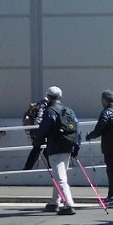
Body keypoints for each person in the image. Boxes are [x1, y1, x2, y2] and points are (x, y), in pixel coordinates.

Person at [34, 85, 79, 215]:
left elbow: (43, 129)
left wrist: (38, 143)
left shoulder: (50, 111)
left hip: (55, 147)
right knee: (59, 175)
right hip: (68, 146)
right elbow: (77, 128)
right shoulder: (68, 110)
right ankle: (54, 202)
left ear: (48, 97)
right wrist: (76, 146)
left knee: (60, 178)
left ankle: (68, 204)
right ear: (60, 97)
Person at [85, 90, 113, 207]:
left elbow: (99, 130)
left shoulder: (106, 113)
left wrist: (89, 136)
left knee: (112, 173)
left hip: (111, 147)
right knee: (112, 171)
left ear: (104, 101)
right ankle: (111, 195)